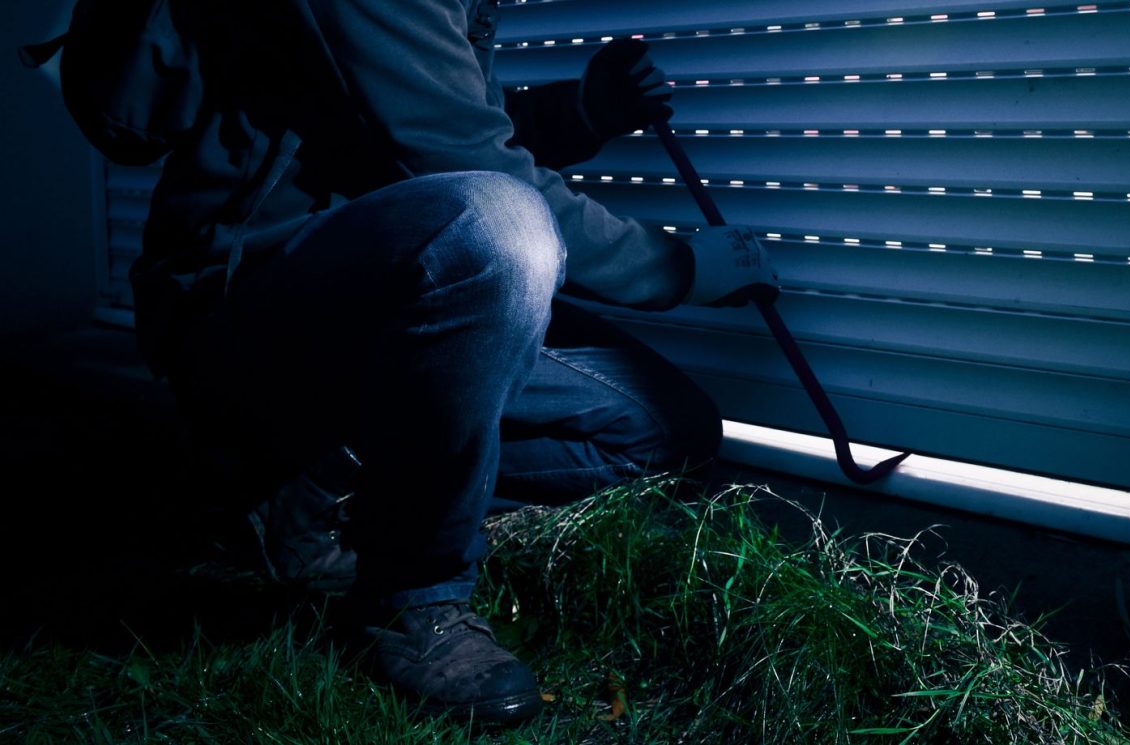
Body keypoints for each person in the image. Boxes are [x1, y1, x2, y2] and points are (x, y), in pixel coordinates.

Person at [130, 0, 779, 725]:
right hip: (248, 309)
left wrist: (585, 112)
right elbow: (460, 160)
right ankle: (413, 593)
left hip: (379, 305)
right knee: (499, 229)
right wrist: (678, 267)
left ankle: (309, 492)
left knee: (662, 431)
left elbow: (423, 122)